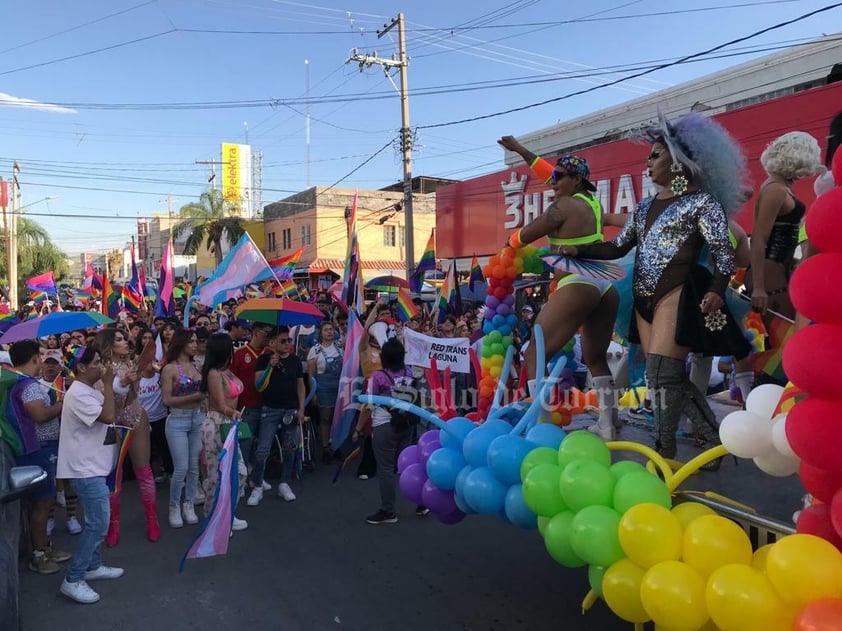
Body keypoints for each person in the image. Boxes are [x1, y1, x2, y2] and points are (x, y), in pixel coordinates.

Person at [565, 112, 748, 468]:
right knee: (665, 376)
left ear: (678, 160)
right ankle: (714, 440)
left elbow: (726, 255)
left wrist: (716, 289)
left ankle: (664, 455)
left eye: (655, 155)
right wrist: (580, 249)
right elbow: (617, 247)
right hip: (643, 297)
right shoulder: (645, 206)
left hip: (677, 293)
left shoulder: (702, 203)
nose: (647, 161)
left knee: (664, 376)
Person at [498, 135, 620, 440]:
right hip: (605, 285)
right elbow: (548, 172)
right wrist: (522, 151)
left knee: (534, 351)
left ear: (577, 180)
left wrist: (508, 245)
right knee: (595, 358)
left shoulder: (562, 206)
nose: (552, 182)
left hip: (577, 282)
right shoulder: (591, 202)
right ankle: (608, 425)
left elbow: (528, 233)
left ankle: (537, 426)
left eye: (559, 178)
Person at [56, 346, 125, 604]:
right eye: (97, 362)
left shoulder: (89, 389)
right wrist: (108, 382)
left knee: (95, 521)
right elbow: (107, 416)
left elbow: (113, 408)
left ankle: (93, 566)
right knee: (98, 524)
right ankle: (72, 579)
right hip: (85, 470)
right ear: (81, 367)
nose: (102, 366)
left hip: (95, 465)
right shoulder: (78, 394)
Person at [92, 329, 160, 545]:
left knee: (144, 470)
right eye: (118, 339)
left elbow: (131, 399)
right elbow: (101, 400)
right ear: (108, 344)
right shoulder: (99, 369)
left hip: (134, 418)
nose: (125, 343)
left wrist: (131, 382)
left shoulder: (130, 365)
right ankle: (114, 524)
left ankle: (152, 520)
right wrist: (120, 383)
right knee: (114, 474)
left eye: (124, 338)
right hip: (110, 422)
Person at [9, 341, 70, 574]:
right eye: (41, 356)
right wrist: (61, 405)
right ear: (35, 359)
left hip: (40, 448)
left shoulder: (22, 383)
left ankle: (44, 546)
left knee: (44, 501)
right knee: (42, 503)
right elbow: (40, 415)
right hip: (39, 449)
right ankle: (39, 555)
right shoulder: (28, 386)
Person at [747, 131, 822, 320]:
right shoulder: (775, 190)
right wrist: (758, 287)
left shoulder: (781, 186)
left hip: (778, 269)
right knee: (786, 331)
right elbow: (758, 239)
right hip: (770, 272)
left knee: (784, 333)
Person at [357, 338, 416, 525]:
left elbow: (369, 405)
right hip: (407, 423)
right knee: (407, 465)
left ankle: (388, 511)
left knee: (385, 469)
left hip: (384, 425)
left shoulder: (378, 377)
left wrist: (358, 428)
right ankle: (422, 501)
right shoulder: (409, 371)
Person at [250, 326, 306, 505]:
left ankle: (284, 483)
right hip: (270, 410)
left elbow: (300, 385)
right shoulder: (263, 360)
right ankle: (257, 485)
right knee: (263, 449)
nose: (287, 344)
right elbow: (258, 385)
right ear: (272, 342)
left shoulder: (295, 361)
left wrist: (301, 408)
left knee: (289, 449)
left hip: (290, 409)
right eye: (283, 341)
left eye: (289, 340)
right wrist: (270, 367)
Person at [200, 333, 248, 531]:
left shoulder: (226, 371)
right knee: (216, 475)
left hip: (230, 423)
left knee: (239, 472)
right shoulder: (213, 373)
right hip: (217, 424)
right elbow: (220, 404)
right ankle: (213, 518)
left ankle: (227, 512)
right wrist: (232, 412)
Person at [160, 329, 205, 528]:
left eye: (196, 341)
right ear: (182, 343)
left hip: (197, 418)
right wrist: (193, 398)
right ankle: (174, 506)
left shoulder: (197, 367)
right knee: (181, 468)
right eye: (192, 341)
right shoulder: (169, 369)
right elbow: (167, 399)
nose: (195, 345)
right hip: (177, 420)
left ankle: (189, 504)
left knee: (194, 465)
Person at [230, 322, 273, 495]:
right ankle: (241, 481)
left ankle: (258, 478)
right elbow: (232, 381)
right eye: (266, 333)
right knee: (245, 446)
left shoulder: (271, 354)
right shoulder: (239, 354)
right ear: (255, 333)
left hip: (268, 407)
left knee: (263, 446)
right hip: (246, 408)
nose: (269, 338)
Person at [307, 322, 342, 464]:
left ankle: (336, 444)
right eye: (326, 330)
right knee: (325, 419)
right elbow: (311, 374)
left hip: (339, 387)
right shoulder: (315, 350)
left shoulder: (340, 347)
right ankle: (325, 447)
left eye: (331, 329)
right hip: (323, 388)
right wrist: (313, 393)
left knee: (338, 418)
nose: (329, 332)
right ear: (320, 333)